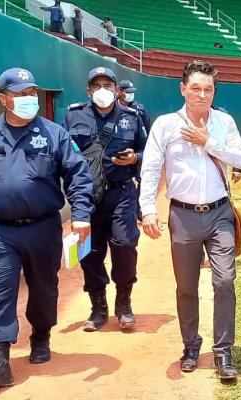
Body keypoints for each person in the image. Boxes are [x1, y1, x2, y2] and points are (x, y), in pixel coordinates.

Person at [0, 68, 92, 389]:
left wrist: (81, 214)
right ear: (3, 99)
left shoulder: (54, 134)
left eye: (31, 93)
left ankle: (41, 335)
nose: (28, 99)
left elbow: (78, 175)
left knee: (43, 288)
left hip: (43, 227)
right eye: (20, 94)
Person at [140, 60, 241, 382]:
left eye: (209, 89)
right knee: (186, 287)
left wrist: (208, 141)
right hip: (183, 216)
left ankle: (223, 350)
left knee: (224, 280)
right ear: (183, 89)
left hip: (219, 214)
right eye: (196, 88)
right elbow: (150, 169)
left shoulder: (224, 122)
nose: (202, 95)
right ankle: (191, 346)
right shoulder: (164, 125)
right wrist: (147, 209)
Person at [64, 67, 146, 333]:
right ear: (88, 90)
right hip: (86, 196)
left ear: (116, 90)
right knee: (88, 251)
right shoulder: (73, 114)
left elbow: (147, 152)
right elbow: (64, 155)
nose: (102, 90)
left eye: (108, 85)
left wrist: (135, 159)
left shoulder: (132, 116)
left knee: (124, 245)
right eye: (96, 85)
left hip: (121, 192)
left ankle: (124, 302)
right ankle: (98, 306)